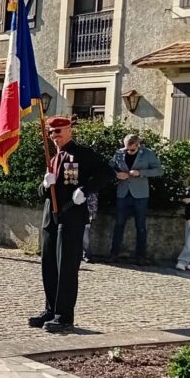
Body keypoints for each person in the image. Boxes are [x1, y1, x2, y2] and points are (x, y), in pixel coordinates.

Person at [31, 116, 114, 333]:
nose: (54, 137)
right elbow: (44, 193)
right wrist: (43, 185)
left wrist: (86, 190)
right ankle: (50, 309)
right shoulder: (53, 157)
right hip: (51, 216)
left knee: (66, 266)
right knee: (48, 265)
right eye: (51, 133)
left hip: (71, 216)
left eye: (58, 132)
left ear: (69, 130)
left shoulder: (83, 154)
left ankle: (64, 316)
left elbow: (107, 174)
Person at [108, 134, 162, 264]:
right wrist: (116, 174)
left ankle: (140, 257)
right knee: (119, 224)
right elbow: (109, 167)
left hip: (141, 195)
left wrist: (141, 173)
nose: (128, 152)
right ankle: (114, 254)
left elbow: (159, 170)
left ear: (139, 145)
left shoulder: (147, 154)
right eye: (126, 149)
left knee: (141, 226)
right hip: (123, 193)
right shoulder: (119, 153)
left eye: (132, 149)